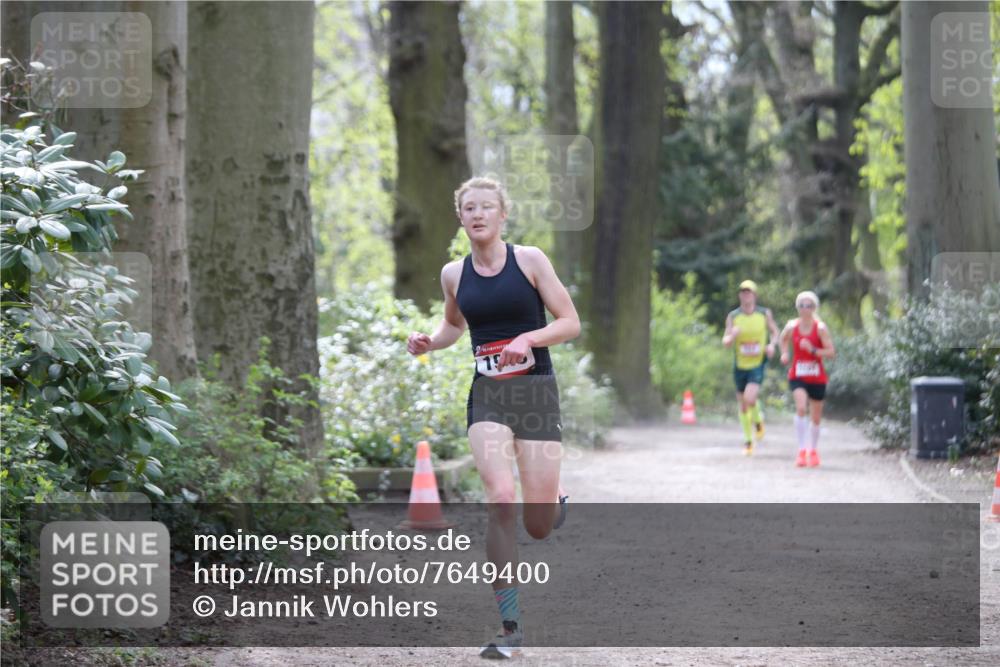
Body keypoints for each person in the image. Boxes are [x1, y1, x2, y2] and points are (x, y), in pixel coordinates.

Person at [406, 176, 580, 659]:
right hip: (488, 396)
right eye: (469, 208)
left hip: (536, 394)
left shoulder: (530, 261)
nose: (478, 214)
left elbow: (570, 322)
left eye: (487, 207)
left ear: (503, 214)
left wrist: (529, 339)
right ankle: (511, 627)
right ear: (459, 217)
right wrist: (428, 342)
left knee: (538, 524)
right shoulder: (453, 275)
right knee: (500, 499)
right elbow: (452, 326)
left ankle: (553, 503)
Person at [722, 280, 780, 456]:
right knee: (743, 405)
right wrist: (732, 335)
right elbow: (725, 342)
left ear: (754, 295)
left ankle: (758, 420)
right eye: (743, 292)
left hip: (757, 364)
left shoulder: (764, 314)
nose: (746, 295)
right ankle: (748, 441)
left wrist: (772, 346)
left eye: (749, 292)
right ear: (740, 295)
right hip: (740, 365)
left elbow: (775, 332)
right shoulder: (733, 316)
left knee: (749, 397)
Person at [779, 291, 836, 467]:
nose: (805, 309)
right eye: (802, 305)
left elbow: (831, 352)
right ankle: (802, 450)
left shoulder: (820, 328)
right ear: (797, 307)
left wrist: (812, 350)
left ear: (814, 308)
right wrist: (785, 353)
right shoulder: (791, 326)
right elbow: (783, 340)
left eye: (809, 305)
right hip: (798, 375)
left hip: (817, 377)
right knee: (801, 408)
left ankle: (813, 450)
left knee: (816, 418)